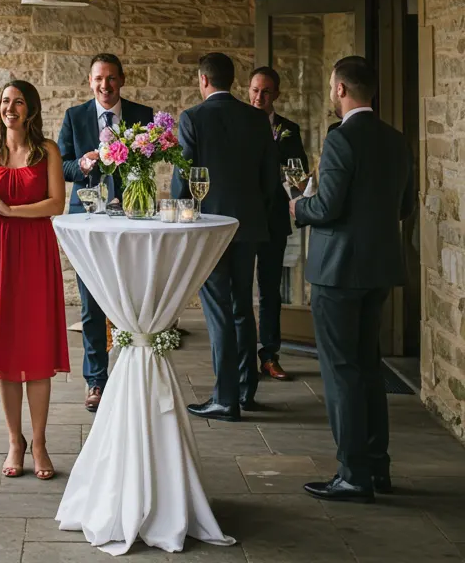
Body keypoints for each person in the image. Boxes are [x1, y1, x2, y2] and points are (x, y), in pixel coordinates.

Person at [291, 56, 415, 503]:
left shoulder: (342, 139)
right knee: (367, 369)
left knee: (342, 372)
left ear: (341, 89)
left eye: (330, 87)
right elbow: (403, 207)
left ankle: (353, 475)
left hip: (339, 271)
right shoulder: (397, 140)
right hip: (380, 268)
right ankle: (376, 468)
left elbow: (327, 208)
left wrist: (298, 208)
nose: (330, 94)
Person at [0, 80, 69, 481]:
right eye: (5, 101)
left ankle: (40, 442)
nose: (10, 107)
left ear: (31, 109)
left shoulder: (48, 151)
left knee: (37, 348)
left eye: (18, 102)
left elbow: (57, 203)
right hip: (0, 252)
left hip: (35, 248)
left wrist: (11, 211)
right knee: (6, 349)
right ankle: (15, 441)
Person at [172, 52, 280, 422]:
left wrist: (180, 219)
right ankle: (246, 390)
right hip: (247, 225)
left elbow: (183, 177)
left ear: (203, 80)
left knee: (218, 309)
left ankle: (225, 397)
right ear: (232, 80)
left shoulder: (194, 118)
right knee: (241, 308)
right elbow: (270, 181)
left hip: (210, 228)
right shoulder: (256, 118)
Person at [57, 54, 153, 412]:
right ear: (90, 81)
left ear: (122, 80)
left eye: (111, 78)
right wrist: (81, 165)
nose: (105, 85)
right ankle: (96, 381)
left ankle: (135, 377)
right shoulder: (74, 116)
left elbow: (153, 156)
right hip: (88, 219)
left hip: (133, 216)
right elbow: (62, 163)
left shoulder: (143, 115)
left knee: (133, 299)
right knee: (91, 303)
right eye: (99, 79)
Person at [249, 65, 309, 382]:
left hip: (273, 220)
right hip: (242, 221)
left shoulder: (289, 129)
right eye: (256, 90)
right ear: (248, 91)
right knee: (240, 290)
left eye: (266, 91)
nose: (260, 96)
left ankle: (269, 356)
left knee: (271, 290)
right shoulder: (237, 123)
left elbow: (298, 173)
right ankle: (244, 356)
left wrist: (293, 184)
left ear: (276, 94)